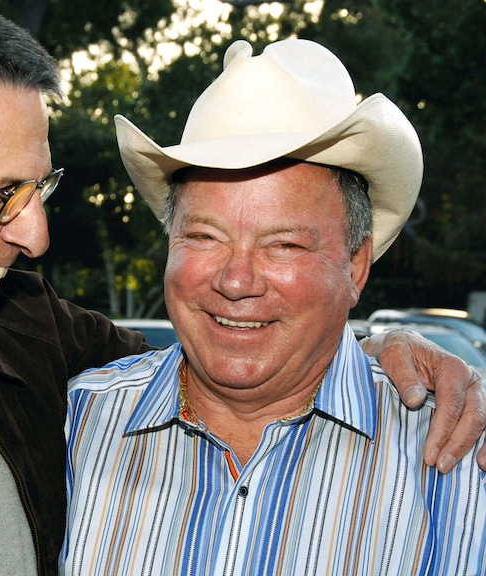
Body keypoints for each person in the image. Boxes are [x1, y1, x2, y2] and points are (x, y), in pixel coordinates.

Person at [0, 2, 481, 574]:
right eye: (4, 191)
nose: (37, 236)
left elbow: (246, 356)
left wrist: (385, 347)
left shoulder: (33, 344)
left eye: (40, 188)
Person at [61, 39, 486, 575]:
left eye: (284, 244)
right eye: (204, 236)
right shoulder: (75, 428)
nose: (236, 281)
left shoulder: (463, 457)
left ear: (356, 266)